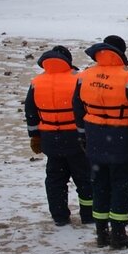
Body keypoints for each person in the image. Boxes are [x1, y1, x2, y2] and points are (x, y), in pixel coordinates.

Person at [73, 35, 128, 249]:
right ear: (122, 53)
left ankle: (101, 233)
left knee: (100, 187)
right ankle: (118, 235)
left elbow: (77, 108)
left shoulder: (84, 76)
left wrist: (82, 134)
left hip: (94, 139)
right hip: (123, 141)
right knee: (121, 187)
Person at [24, 46, 93, 226]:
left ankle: (59, 216)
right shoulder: (77, 79)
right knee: (84, 178)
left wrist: (34, 136)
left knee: (55, 180)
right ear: (68, 62)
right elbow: (85, 107)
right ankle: (88, 214)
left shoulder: (36, 82)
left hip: (49, 138)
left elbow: (30, 112)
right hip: (75, 137)